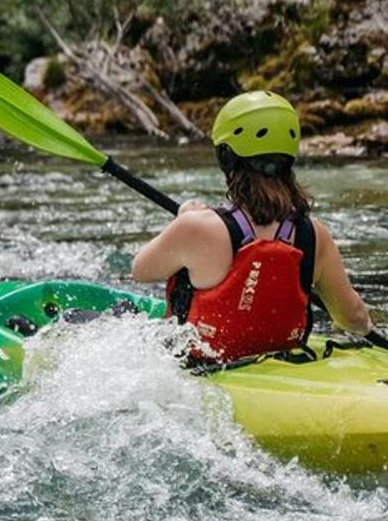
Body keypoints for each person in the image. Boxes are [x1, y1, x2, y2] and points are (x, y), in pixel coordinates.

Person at [131, 90, 373, 362]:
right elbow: (353, 318)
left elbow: (140, 270)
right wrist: (363, 326)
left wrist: (182, 219)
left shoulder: (196, 227)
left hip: (202, 368)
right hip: (283, 364)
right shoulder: (314, 234)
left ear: (226, 157)